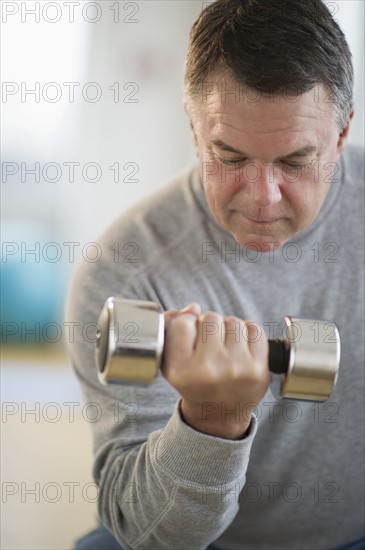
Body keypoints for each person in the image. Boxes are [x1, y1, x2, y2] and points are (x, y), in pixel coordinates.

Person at [65, 0, 364, 548]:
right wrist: (210, 420)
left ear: (342, 134)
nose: (261, 198)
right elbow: (143, 530)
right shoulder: (125, 272)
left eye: (295, 162)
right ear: (195, 131)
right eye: (229, 156)